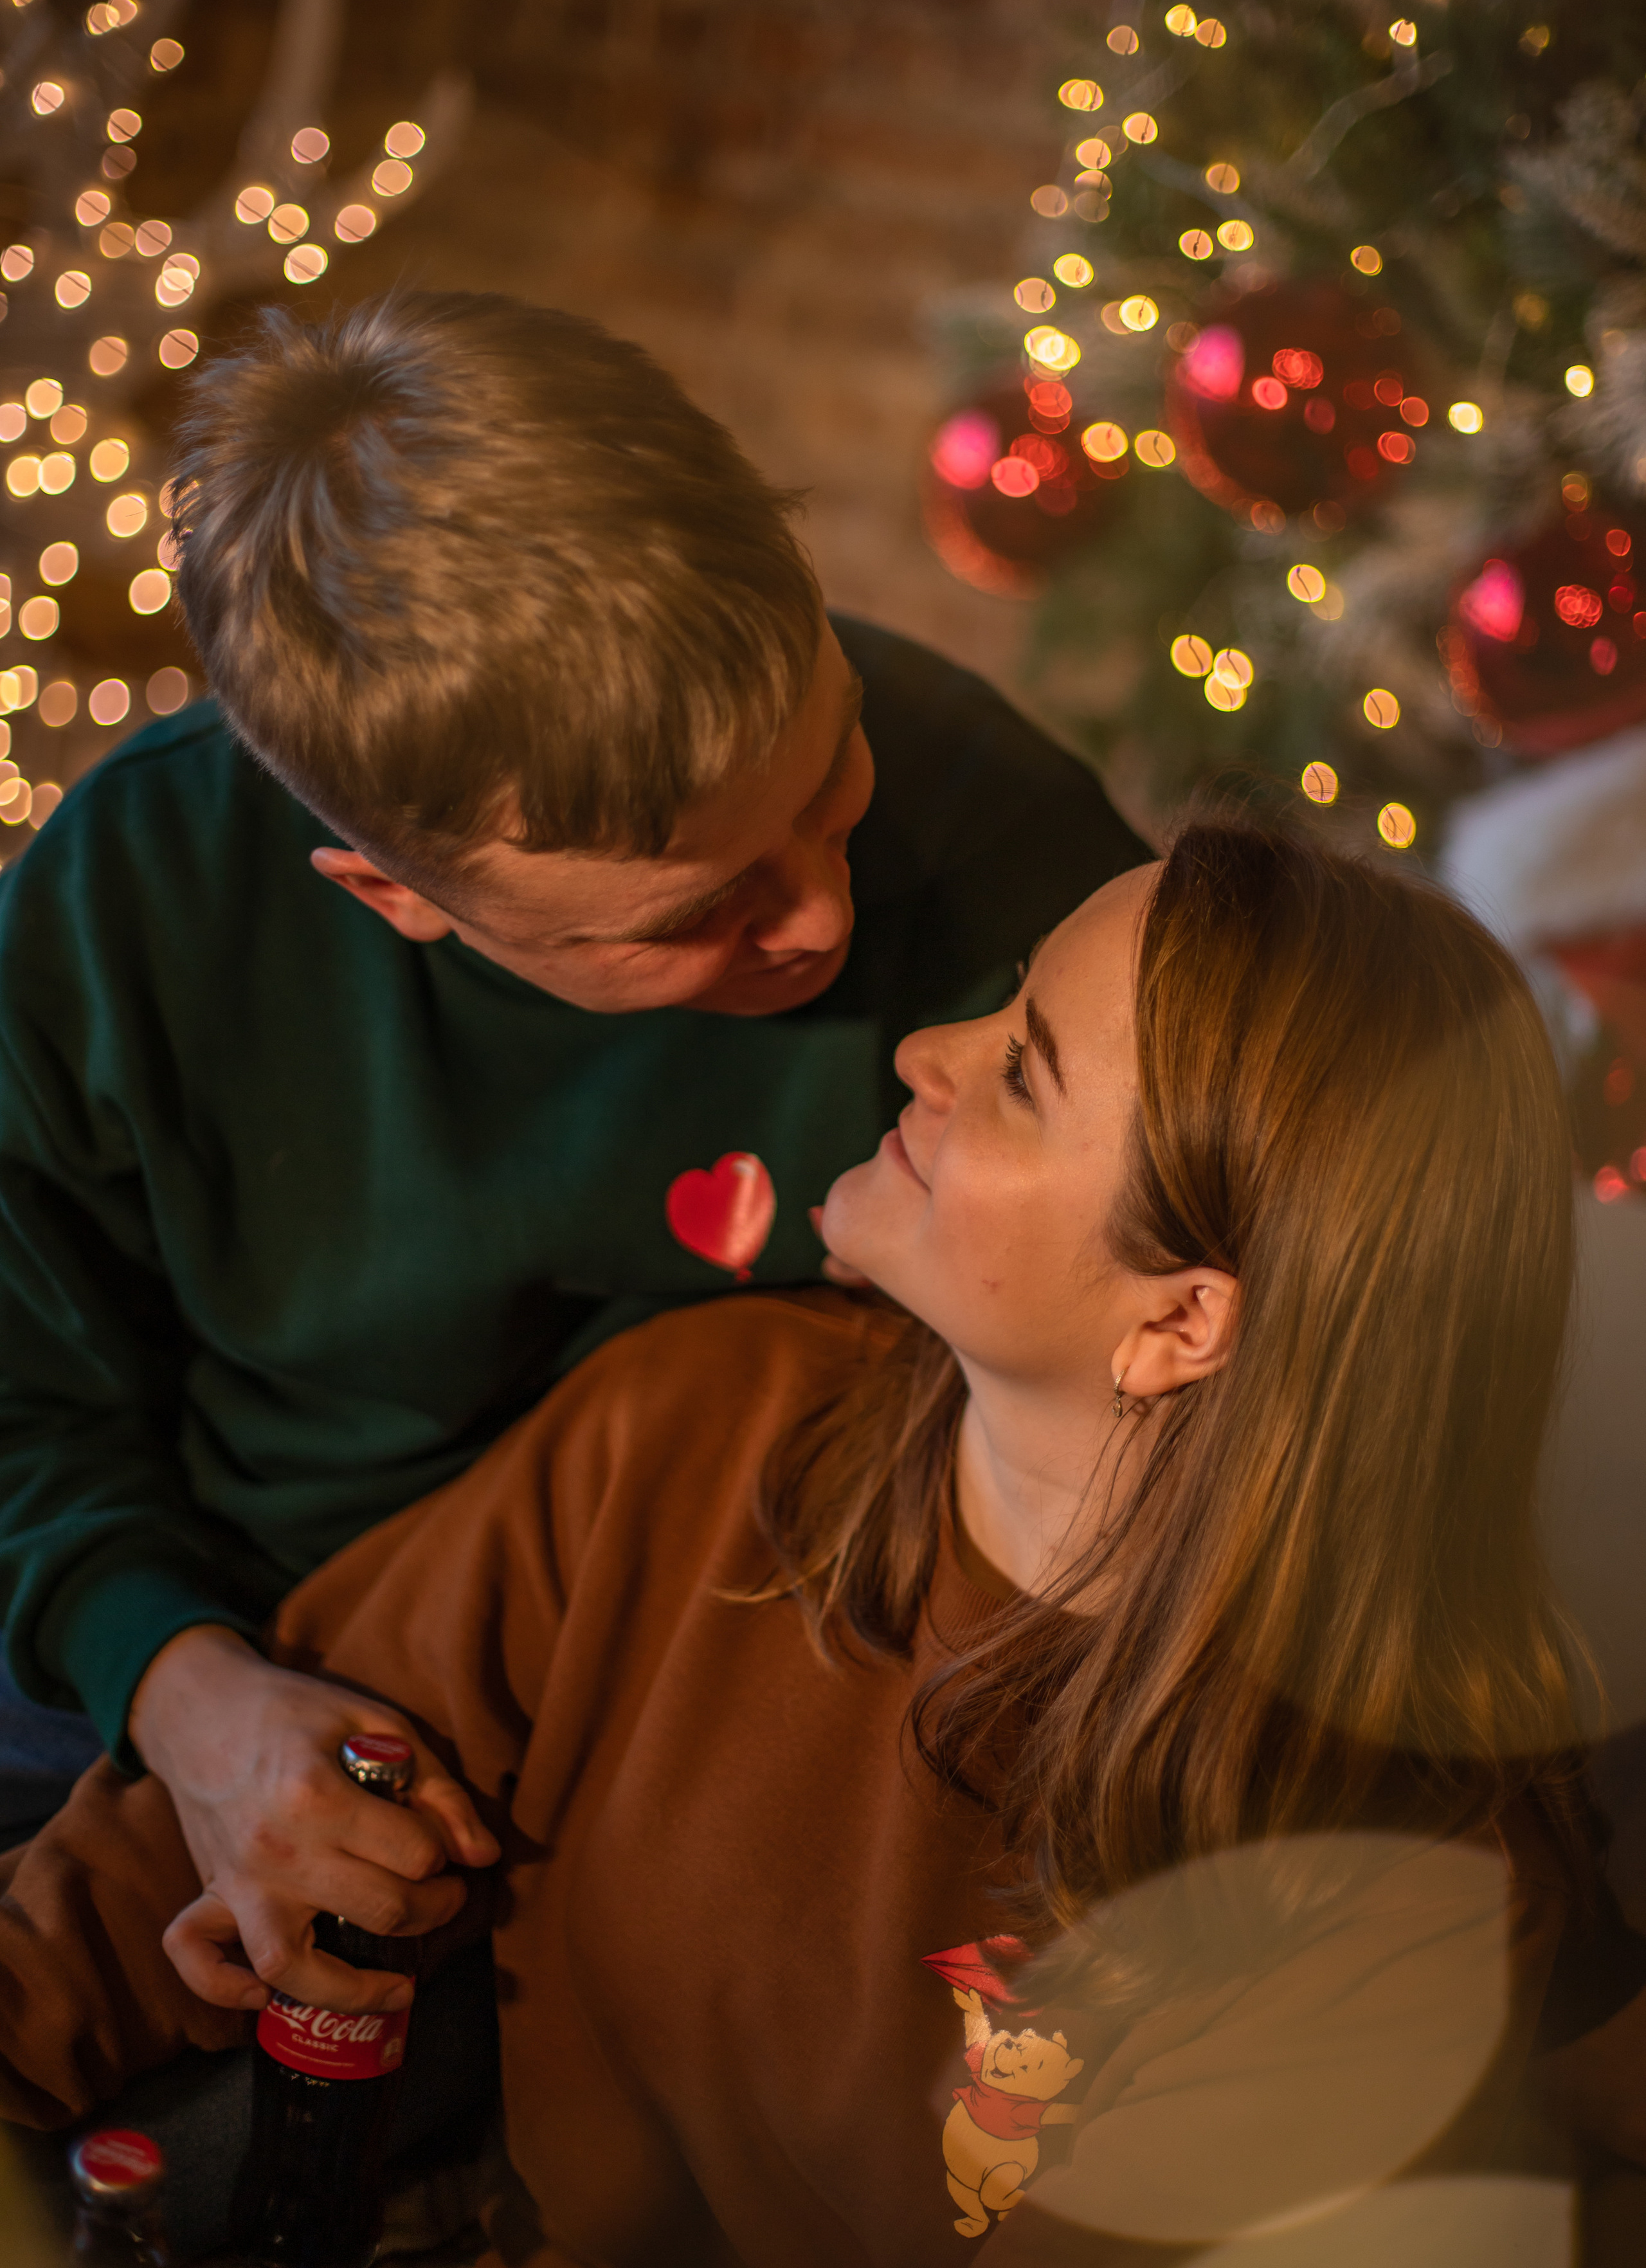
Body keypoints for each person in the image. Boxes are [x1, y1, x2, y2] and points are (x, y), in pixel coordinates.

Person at [4, 824, 1642, 2263]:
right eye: (1001, 1001)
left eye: (1021, 1072)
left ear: (1179, 1322)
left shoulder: (1362, 1910)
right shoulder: (704, 1420)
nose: (924, 1046)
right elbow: (237, 1821)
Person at [0, 287, 1150, 1973]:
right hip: (206, 1616)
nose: (825, 922)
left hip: (732, 1627)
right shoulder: (133, 905)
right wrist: (185, 1694)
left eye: (830, 777)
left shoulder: (1003, 833)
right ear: (391, 895)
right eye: (693, 915)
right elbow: (24, 1400)